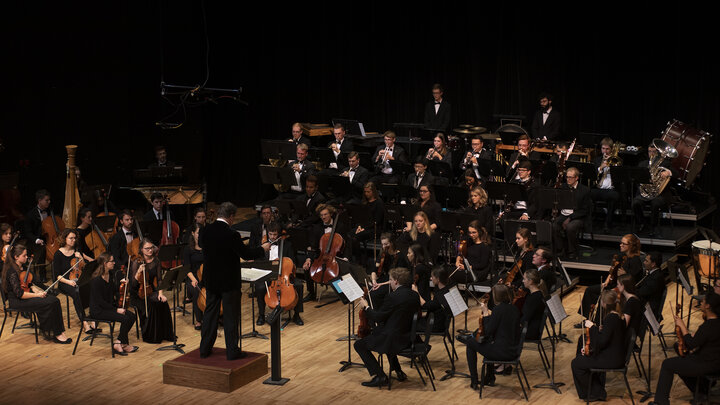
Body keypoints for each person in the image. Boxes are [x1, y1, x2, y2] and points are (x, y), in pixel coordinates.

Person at [199, 202, 269, 359]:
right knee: (231, 316)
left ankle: (204, 349)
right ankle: (232, 352)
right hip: (229, 282)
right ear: (231, 217)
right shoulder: (232, 234)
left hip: (211, 280)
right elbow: (246, 254)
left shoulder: (205, 230)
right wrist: (262, 249)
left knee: (210, 315)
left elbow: (200, 245)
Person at [648, 291, 720, 405]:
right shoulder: (716, 323)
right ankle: (701, 391)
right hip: (714, 361)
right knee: (680, 357)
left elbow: (691, 344)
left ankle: (660, 402)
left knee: (667, 364)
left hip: (707, 364)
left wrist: (682, 327)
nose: (701, 302)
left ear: (708, 306)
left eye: (704, 301)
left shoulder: (708, 326)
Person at [354, 267, 420, 387]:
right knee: (378, 332)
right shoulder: (415, 295)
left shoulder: (392, 297)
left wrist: (366, 307)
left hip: (394, 339)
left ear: (396, 281)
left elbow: (377, 317)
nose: (389, 282)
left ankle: (380, 376)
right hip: (408, 337)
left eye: (390, 280)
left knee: (359, 345)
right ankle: (398, 371)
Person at [1, 244, 71, 344]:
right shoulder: (12, 272)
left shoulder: (22, 267)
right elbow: (20, 294)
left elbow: (27, 283)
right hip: (17, 301)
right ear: (16, 257)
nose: (26, 257)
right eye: (24, 256)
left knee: (55, 300)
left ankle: (59, 331)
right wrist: (37, 295)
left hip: (26, 296)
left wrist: (35, 289)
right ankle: (54, 333)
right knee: (49, 302)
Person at [457, 284, 520, 389]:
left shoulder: (498, 310)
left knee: (470, 343)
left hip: (503, 353)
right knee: (486, 342)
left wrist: (486, 312)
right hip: (514, 350)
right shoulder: (514, 309)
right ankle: (489, 377)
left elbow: (487, 332)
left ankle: (474, 380)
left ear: (496, 297)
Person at [571, 290, 627, 402]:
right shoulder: (617, 316)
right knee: (582, 358)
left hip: (612, 359)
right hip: (615, 355)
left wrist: (592, 327)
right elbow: (608, 337)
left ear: (605, 303)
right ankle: (596, 390)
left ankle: (597, 392)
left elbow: (601, 342)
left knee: (576, 363)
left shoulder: (611, 318)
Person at [577, 234, 643, 321]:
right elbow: (612, 271)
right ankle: (588, 318)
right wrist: (606, 282)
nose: (620, 245)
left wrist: (625, 274)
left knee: (604, 297)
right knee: (590, 290)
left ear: (630, 246)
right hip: (613, 285)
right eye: (621, 243)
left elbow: (632, 280)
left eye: (623, 244)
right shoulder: (622, 256)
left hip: (623, 289)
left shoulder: (635, 261)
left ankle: (598, 321)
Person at [254, 222, 304, 326]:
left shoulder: (287, 245)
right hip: (268, 275)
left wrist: (288, 265)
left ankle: (297, 315)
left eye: (275, 235)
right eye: (270, 234)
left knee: (299, 285)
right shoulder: (262, 246)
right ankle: (261, 315)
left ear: (279, 234)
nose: (272, 237)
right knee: (260, 287)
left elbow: (293, 261)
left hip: (284, 275)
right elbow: (259, 261)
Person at [89, 252, 138, 356]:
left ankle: (120, 342)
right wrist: (116, 310)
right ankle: (120, 344)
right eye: (112, 261)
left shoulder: (110, 275)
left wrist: (122, 283)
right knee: (125, 318)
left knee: (132, 316)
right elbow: (100, 301)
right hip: (98, 310)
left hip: (108, 307)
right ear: (105, 263)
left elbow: (112, 290)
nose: (114, 263)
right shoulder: (96, 280)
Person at [301, 204, 349, 302]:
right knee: (307, 267)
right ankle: (311, 293)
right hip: (322, 256)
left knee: (339, 268)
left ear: (331, 214)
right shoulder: (317, 228)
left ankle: (341, 291)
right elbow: (313, 246)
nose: (323, 217)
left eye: (325, 214)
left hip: (337, 256)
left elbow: (348, 243)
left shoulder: (340, 226)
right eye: (321, 215)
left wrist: (346, 257)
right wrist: (308, 259)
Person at [129, 239, 173, 343]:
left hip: (150, 289)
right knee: (152, 304)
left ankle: (165, 334)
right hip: (137, 294)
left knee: (163, 302)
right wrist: (138, 272)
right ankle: (151, 335)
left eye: (151, 248)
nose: (150, 250)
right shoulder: (136, 262)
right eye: (147, 248)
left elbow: (159, 279)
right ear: (141, 250)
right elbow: (133, 284)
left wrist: (161, 294)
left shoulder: (156, 261)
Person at [53, 228, 96, 334]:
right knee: (77, 292)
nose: (73, 240)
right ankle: (85, 323)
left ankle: (94, 319)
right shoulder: (58, 254)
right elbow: (57, 276)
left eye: (74, 238)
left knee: (92, 287)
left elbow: (88, 265)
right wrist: (69, 282)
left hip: (79, 279)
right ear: (64, 239)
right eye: (71, 238)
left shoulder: (77, 251)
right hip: (65, 282)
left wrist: (81, 258)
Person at [632, 141, 676, 236]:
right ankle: (642, 223)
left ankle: (653, 227)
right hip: (645, 193)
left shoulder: (665, 163)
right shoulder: (642, 164)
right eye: (649, 151)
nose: (651, 154)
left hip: (660, 194)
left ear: (658, 152)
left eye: (654, 151)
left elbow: (677, 175)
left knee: (655, 203)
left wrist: (668, 172)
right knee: (635, 203)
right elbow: (636, 179)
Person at [551, 167, 592, 260]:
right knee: (553, 226)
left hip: (577, 216)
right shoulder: (562, 187)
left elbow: (585, 210)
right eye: (567, 177)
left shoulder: (584, 190)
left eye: (571, 177)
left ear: (576, 178)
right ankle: (560, 249)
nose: (568, 179)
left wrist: (570, 218)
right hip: (563, 214)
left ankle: (572, 251)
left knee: (570, 227)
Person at [591, 137, 621, 232]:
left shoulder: (617, 160)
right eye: (603, 148)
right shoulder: (597, 160)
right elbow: (592, 174)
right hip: (598, 188)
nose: (605, 151)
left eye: (607, 149)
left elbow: (620, 176)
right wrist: (601, 167)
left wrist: (611, 165)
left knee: (613, 197)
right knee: (587, 194)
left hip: (611, 189)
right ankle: (590, 221)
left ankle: (607, 224)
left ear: (611, 149)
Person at [22, 189, 52, 282]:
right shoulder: (31, 215)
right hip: (35, 241)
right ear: (39, 201)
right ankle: (42, 276)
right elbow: (27, 233)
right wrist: (37, 240)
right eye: (46, 200)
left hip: (49, 239)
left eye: (49, 200)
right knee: (42, 249)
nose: (49, 202)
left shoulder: (50, 212)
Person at [414, 266, 452, 333]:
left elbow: (425, 306)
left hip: (434, 325)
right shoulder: (447, 290)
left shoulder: (441, 295)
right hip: (441, 323)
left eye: (432, 277)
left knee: (410, 324)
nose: (431, 278)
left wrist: (416, 291)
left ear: (438, 279)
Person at [453, 221, 492, 286]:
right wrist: (457, 261)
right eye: (470, 232)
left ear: (479, 232)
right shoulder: (469, 241)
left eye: (474, 232)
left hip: (477, 273)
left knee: (451, 276)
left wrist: (467, 267)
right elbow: (460, 254)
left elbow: (482, 265)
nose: (471, 235)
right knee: (446, 272)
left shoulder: (485, 246)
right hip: (467, 270)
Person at [368, 233, 401, 309]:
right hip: (384, 279)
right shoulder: (383, 254)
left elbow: (398, 279)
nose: (383, 247)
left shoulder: (400, 256)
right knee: (369, 293)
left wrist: (381, 284)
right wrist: (374, 281)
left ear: (392, 243)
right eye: (382, 244)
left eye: (386, 244)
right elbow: (374, 270)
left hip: (393, 282)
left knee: (375, 294)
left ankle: (378, 316)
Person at [183, 223, 204, 330]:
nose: (200, 235)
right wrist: (194, 279)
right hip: (193, 278)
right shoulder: (188, 249)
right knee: (197, 291)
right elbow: (187, 268)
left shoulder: (207, 247)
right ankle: (199, 320)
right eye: (198, 233)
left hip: (206, 277)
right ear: (192, 233)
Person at [635, 251, 667, 318]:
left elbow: (642, 292)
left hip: (648, 310)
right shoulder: (653, 274)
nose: (644, 262)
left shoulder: (656, 278)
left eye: (646, 261)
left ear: (653, 264)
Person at [521, 269, 548, 341]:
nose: (523, 281)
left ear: (530, 281)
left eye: (524, 279)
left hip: (529, 331)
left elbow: (526, 318)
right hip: (532, 328)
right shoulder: (538, 294)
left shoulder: (534, 298)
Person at [616, 273, 644, 339]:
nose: (617, 286)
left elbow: (624, 325)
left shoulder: (631, 302)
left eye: (618, 284)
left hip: (627, 338)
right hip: (629, 334)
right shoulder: (633, 298)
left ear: (623, 286)